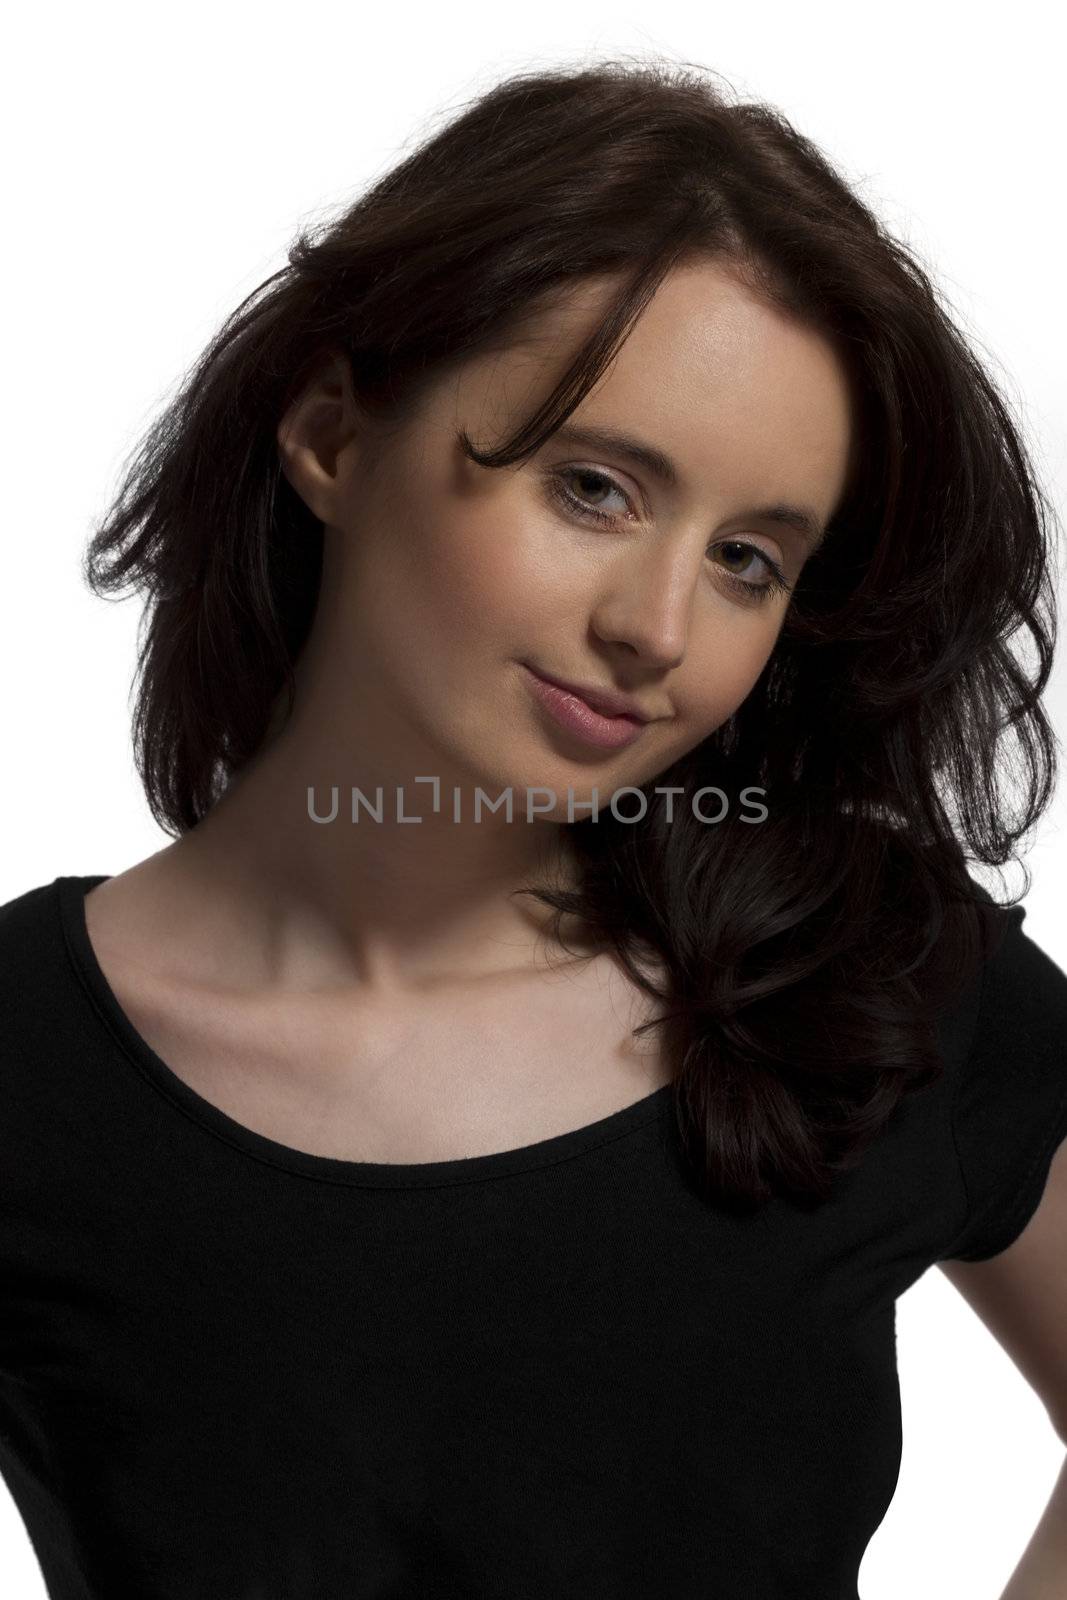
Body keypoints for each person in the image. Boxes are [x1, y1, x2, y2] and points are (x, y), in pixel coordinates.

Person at [2, 57, 1065, 1600]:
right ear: (333, 437)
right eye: (593, 488)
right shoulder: (27, 1060)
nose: (660, 628)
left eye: (751, 561)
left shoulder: (866, 970)